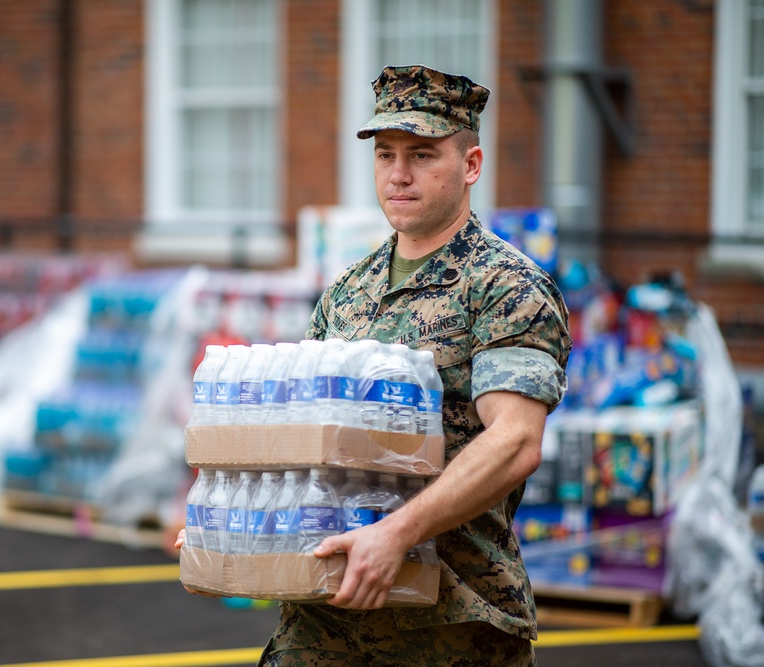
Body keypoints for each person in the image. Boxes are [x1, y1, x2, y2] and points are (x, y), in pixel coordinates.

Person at [178, 64, 572, 666]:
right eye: (385, 154)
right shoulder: (348, 291)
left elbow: (516, 440)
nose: (398, 174)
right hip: (324, 620)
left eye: (421, 154)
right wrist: (229, 524)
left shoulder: (505, 286)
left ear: (470, 167)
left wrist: (396, 534)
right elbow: (298, 440)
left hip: (450, 624)